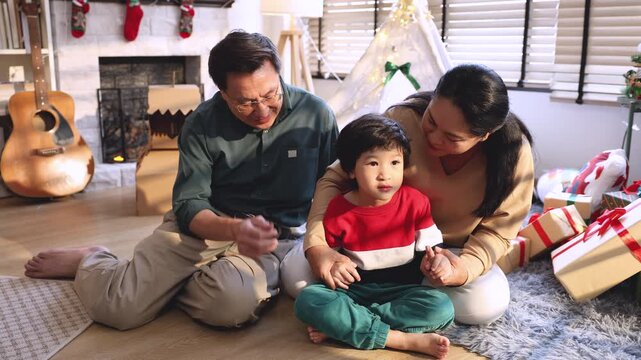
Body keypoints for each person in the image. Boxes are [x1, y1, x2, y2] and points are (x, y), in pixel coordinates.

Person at [24, 30, 338, 330]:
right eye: (245, 102)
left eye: (271, 94)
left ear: (279, 77)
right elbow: (190, 205)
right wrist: (234, 228)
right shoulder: (202, 122)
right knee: (118, 308)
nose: (261, 110)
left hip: (269, 241)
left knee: (229, 307)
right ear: (223, 94)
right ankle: (93, 260)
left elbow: (335, 187)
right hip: (203, 227)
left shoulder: (316, 115)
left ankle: (157, 284)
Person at [303, 63, 535, 325]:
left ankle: (355, 316)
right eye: (432, 121)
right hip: (367, 246)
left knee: (484, 305)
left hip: (449, 254)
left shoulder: (513, 154)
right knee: (296, 276)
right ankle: (386, 313)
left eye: (451, 137)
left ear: (484, 136)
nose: (434, 138)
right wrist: (318, 246)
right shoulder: (402, 119)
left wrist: (462, 269)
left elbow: (498, 231)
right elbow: (337, 176)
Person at [294, 114, 454, 358]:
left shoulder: (416, 203)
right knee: (309, 300)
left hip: (401, 292)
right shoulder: (339, 208)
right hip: (353, 292)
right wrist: (334, 267)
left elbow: (434, 251)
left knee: (441, 307)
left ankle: (345, 327)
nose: (385, 174)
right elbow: (329, 259)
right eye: (372, 164)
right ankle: (400, 340)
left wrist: (437, 262)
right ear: (350, 170)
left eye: (394, 163)